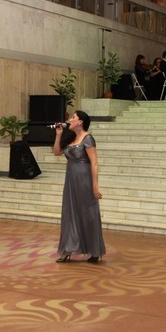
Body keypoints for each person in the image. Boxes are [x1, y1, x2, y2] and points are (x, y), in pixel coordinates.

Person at [52, 110, 106, 263]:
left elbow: (94, 163)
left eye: (73, 117)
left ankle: (94, 250)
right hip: (71, 180)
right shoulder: (69, 138)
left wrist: (95, 186)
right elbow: (56, 152)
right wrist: (58, 135)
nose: (70, 120)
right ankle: (67, 250)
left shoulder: (88, 139)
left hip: (84, 181)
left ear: (80, 122)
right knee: (69, 213)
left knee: (88, 214)